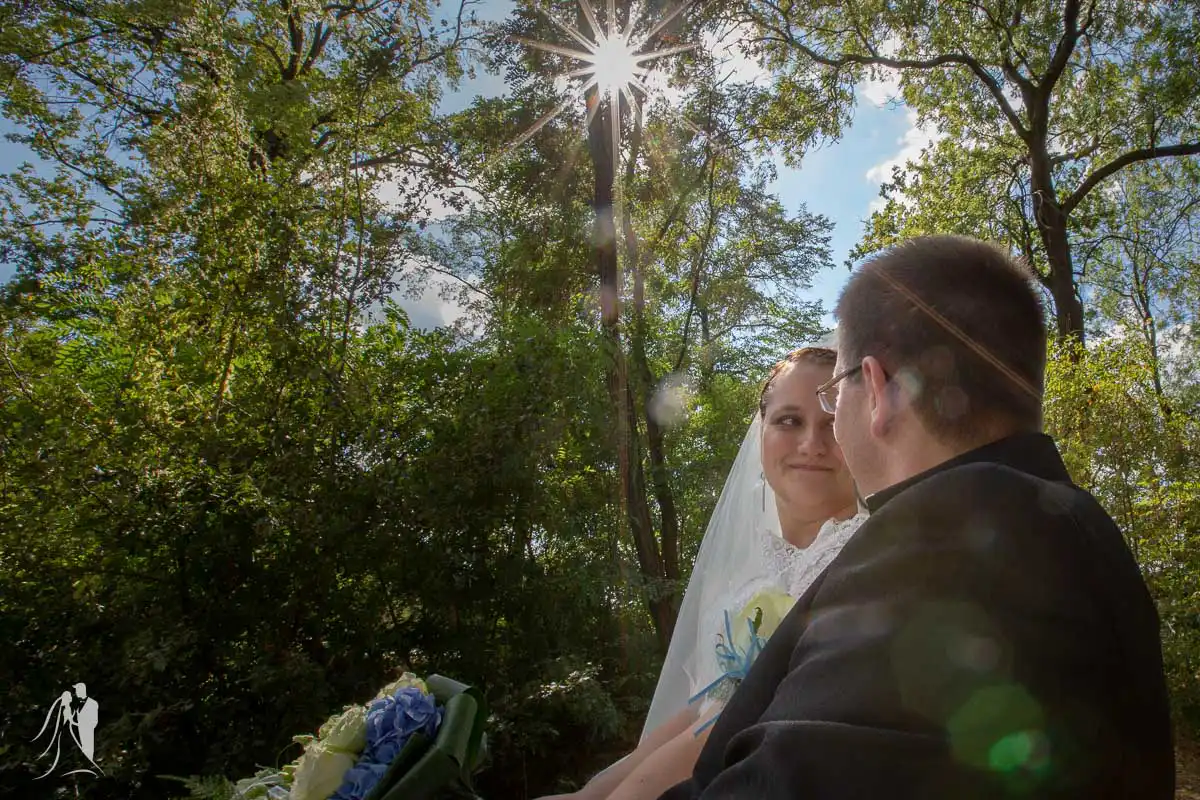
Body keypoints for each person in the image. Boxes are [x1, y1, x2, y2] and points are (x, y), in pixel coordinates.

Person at [657, 235, 1175, 799]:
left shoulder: (941, 544)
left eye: (835, 393)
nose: (827, 427)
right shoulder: (1075, 525)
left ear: (877, 389)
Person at [548, 346, 867, 800]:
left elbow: (734, 723)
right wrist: (589, 793)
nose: (812, 444)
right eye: (789, 420)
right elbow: (709, 709)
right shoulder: (764, 566)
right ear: (760, 434)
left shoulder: (862, 559)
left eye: (832, 422)